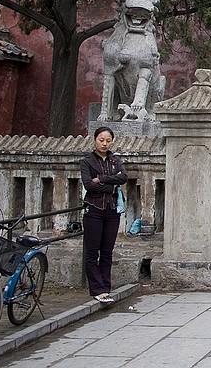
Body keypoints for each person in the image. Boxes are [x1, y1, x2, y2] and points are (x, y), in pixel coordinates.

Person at [79, 126, 128, 304]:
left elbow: (123, 177)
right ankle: (97, 289)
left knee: (107, 251)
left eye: (108, 140)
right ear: (95, 140)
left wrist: (101, 179)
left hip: (112, 210)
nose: (104, 143)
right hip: (94, 209)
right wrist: (111, 185)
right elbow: (88, 185)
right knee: (92, 251)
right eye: (101, 140)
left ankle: (106, 287)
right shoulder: (87, 162)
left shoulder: (115, 160)